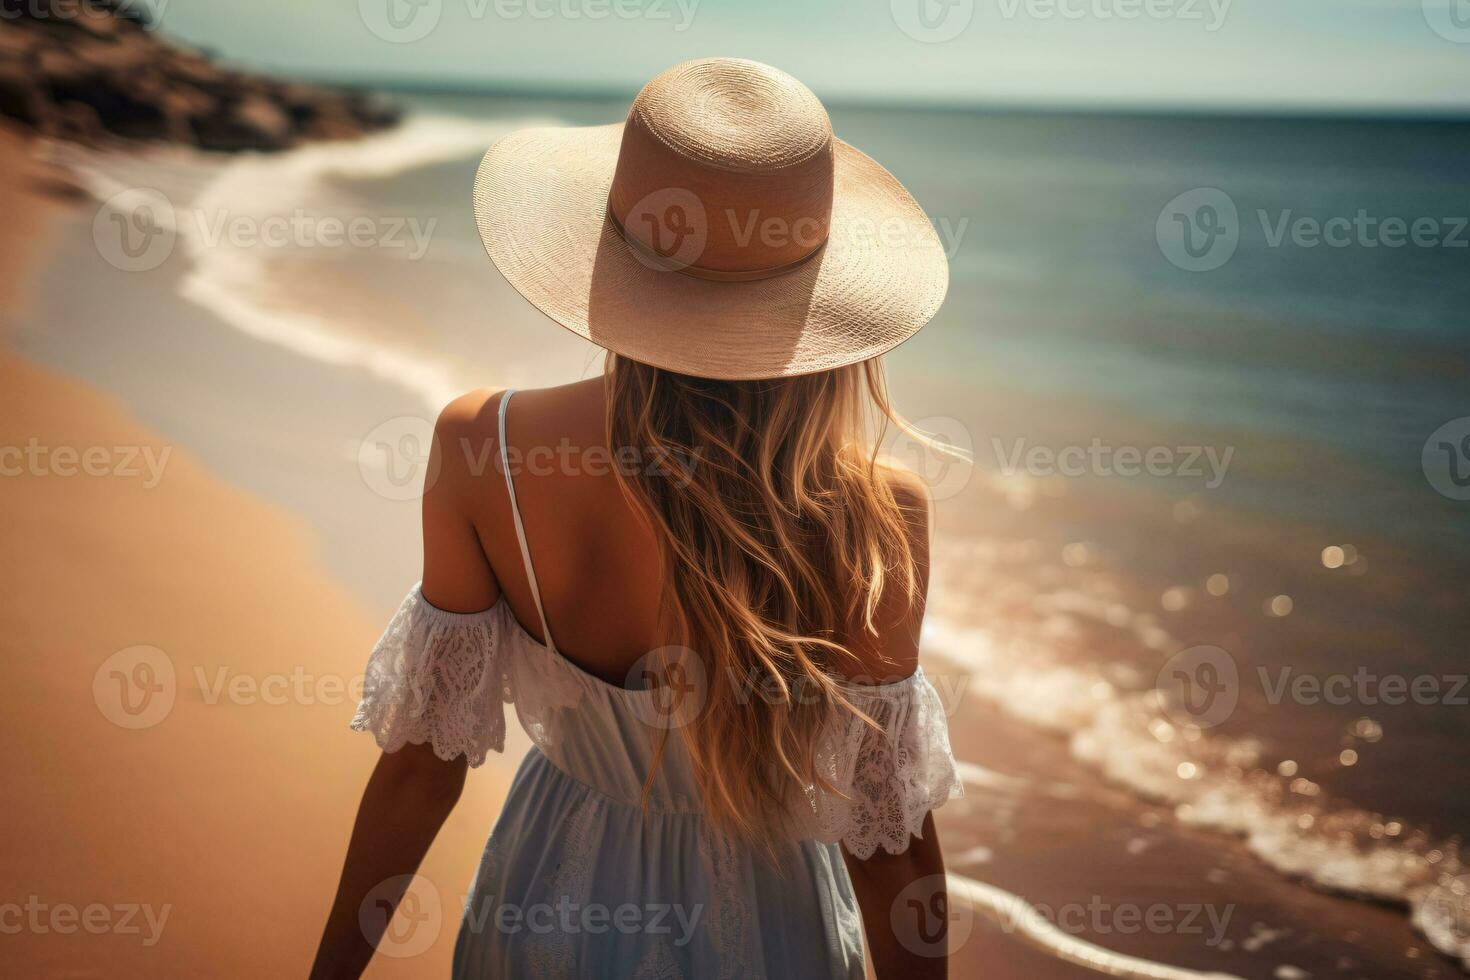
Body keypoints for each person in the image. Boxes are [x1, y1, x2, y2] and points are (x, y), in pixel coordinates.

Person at [311, 57, 961, 979]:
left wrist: (329, 972)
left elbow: (421, 765)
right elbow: (887, 842)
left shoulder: (485, 446)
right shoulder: (872, 515)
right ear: (816, 304)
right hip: (770, 932)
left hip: (548, 899)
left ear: (611, 259)